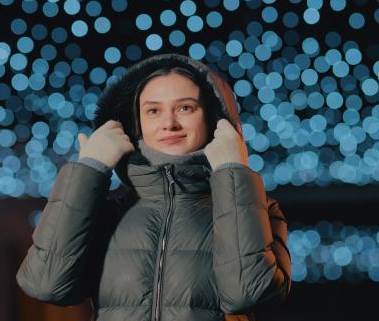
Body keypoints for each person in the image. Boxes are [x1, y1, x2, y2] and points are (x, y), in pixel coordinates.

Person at [16, 53, 291, 320]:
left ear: (212, 118)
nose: (169, 123)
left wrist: (232, 173)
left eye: (185, 107)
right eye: (153, 111)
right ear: (137, 122)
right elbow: (45, 284)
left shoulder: (260, 211)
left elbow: (248, 291)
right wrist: (88, 170)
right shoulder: (109, 215)